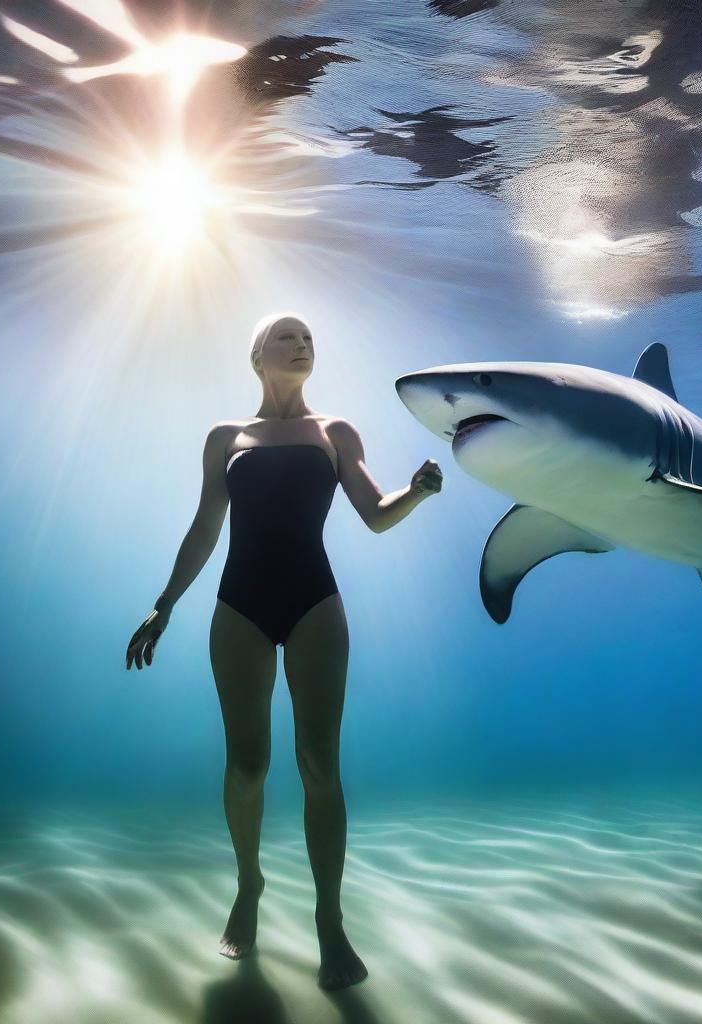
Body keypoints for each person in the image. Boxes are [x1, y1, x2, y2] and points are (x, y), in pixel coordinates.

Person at [124, 312, 442, 989]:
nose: (302, 345)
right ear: (257, 355)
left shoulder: (336, 431)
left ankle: (330, 918)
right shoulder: (223, 438)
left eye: (309, 339)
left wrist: (413, 492)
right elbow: (207, 527)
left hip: (314, 604)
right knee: (247, 767)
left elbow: (376, 513)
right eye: (287, 337)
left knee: (319, 763)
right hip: (238, 607)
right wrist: (164, 602)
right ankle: (249, 886)